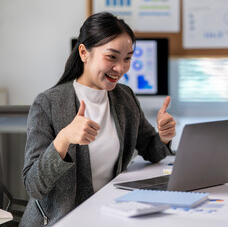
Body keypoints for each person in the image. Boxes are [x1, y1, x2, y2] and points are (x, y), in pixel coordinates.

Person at [20, 12, 176, 226]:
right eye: (111, 57)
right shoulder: (48, 103)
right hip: (63, 220)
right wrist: (63, 140)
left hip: (111, 214)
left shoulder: (125, 97)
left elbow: (153, 149)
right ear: (84, 53)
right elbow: (34, 186)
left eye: (127, 58)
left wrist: (164, 136)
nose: (121, 68)